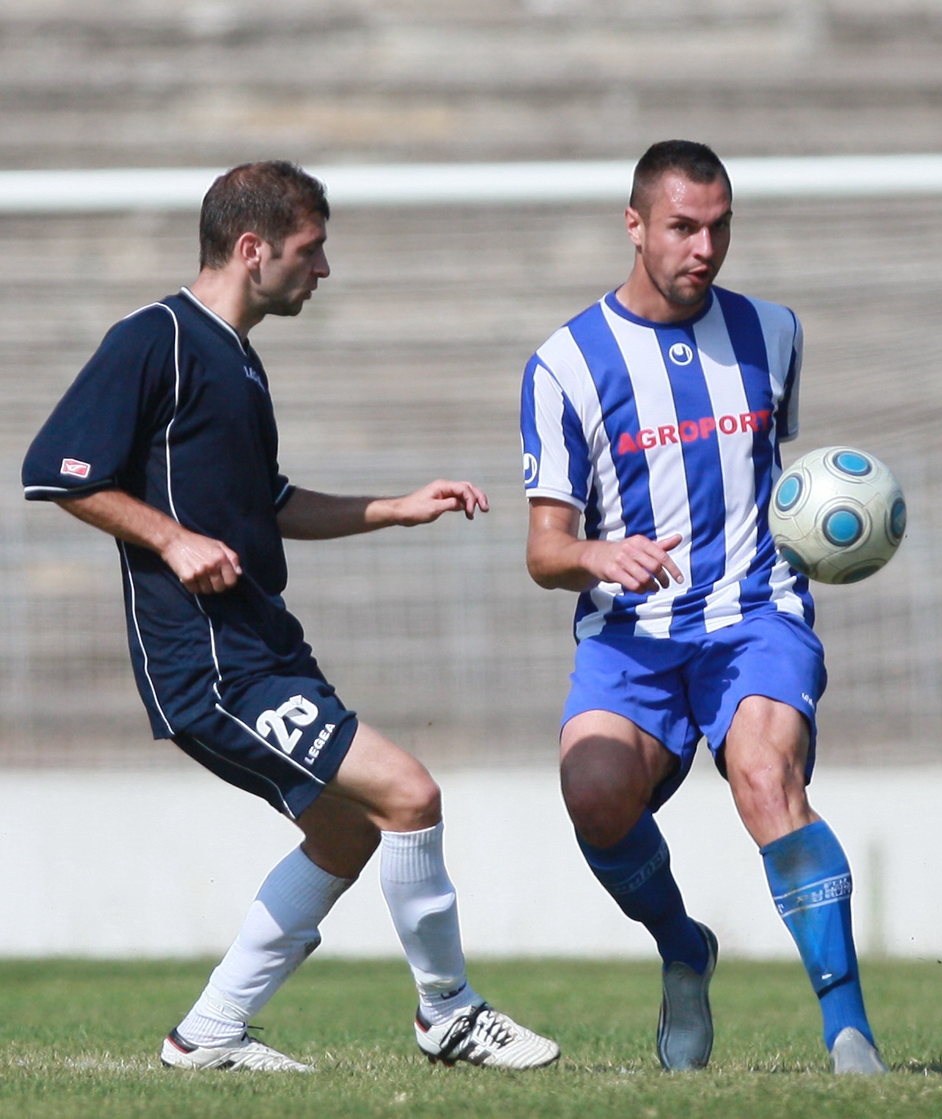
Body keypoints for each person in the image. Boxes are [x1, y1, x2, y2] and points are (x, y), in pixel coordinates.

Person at [23, 160, 559, 1074]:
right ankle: (450, 1012)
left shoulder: (236, 358)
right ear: (251, 248)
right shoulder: (155, 337)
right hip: (210, 659)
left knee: (348, 829)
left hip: (263, 643)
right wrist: (171, 540)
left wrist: (396, 506)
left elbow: (266, 502)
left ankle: (208, 1033)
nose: (322, 269)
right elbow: (58, 470)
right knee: (410, 793)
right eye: (310, 251)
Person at [520, 140, 885, 1075]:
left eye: (719, 227)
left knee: (765, 775)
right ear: (634, 224)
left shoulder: (775, 332)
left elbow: (780, 484)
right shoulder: (566, 364)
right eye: (683, 226)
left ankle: (849, 1033)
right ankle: (685, 946)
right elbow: (545, 550)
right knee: (594, 796)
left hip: (756, 614)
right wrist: (599, 552)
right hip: (629, 634)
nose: (704, 247)